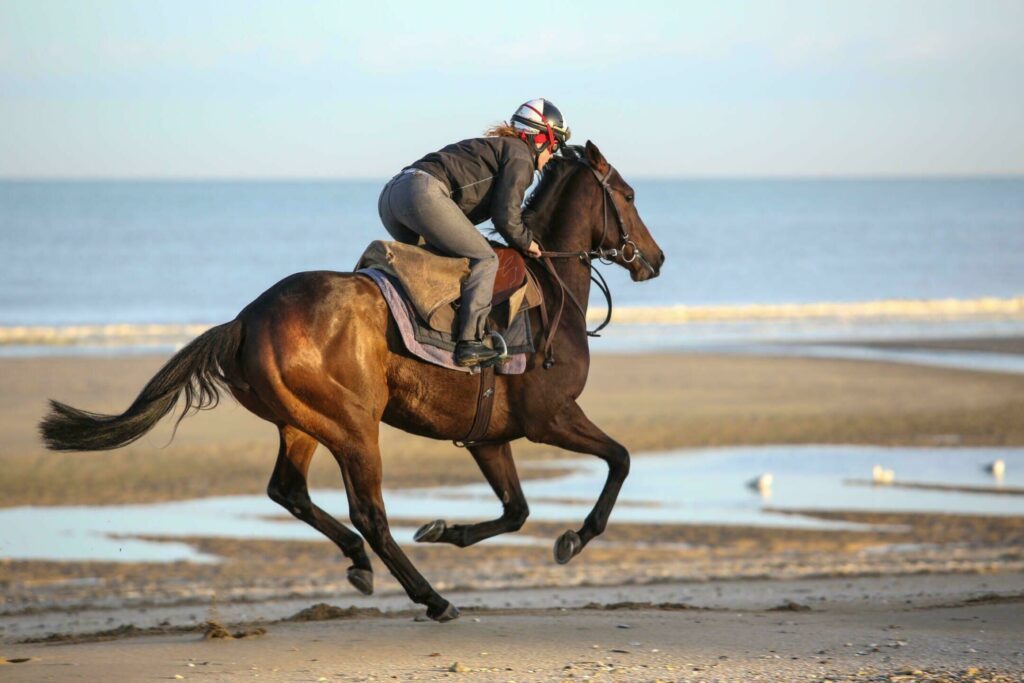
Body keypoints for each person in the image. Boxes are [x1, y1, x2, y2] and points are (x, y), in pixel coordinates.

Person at [377, 99, 571, 367]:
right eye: (554, 146)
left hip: (392, 197)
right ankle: (470, 343)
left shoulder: (499, 148)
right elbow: (506, 217)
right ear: (540, 138)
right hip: (421, 194)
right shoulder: (520, 155)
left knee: (442, 262)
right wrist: (528, 242)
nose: (552, 154)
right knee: (486, 259)